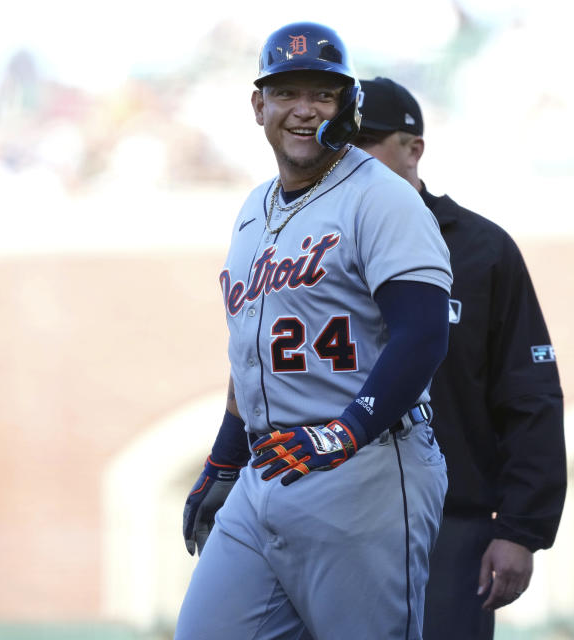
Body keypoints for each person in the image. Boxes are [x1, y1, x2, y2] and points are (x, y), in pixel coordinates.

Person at [175, 23, 453, 640]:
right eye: (287, 92)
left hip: (366, 469)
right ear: (259, 106)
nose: (304, 109)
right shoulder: (254, 208)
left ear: (347, 107)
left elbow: (424, 334)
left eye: (323, 95)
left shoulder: (380, 197)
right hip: (270, 468)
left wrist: (346, 432)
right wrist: (226, 455)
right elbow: (252, 353)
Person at [353, 77, 566, 640]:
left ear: (413, 148)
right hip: (331, 515)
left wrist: (521, 529)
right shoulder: (315, 246)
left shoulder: (480, 247)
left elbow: (529, 394)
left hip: (449, 527)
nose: (353, 157)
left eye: (369, 141)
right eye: (343, 142)